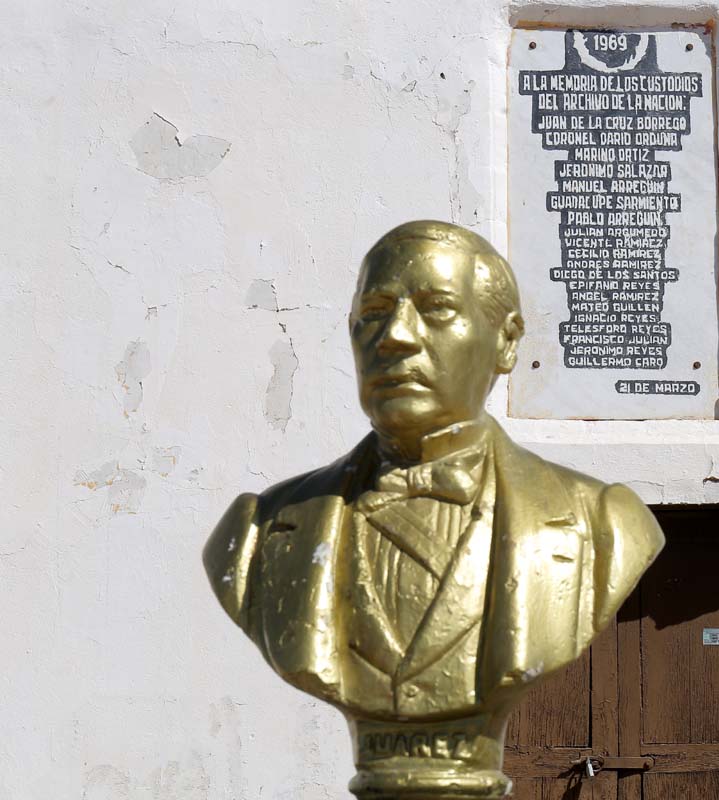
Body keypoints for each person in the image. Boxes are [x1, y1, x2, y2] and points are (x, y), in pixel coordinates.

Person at [202, 221, 663, 795]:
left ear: (507, 341)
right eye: (374, 313)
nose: (395, 336)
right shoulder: (259, 530)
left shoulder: (601, 523)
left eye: (436, 309)